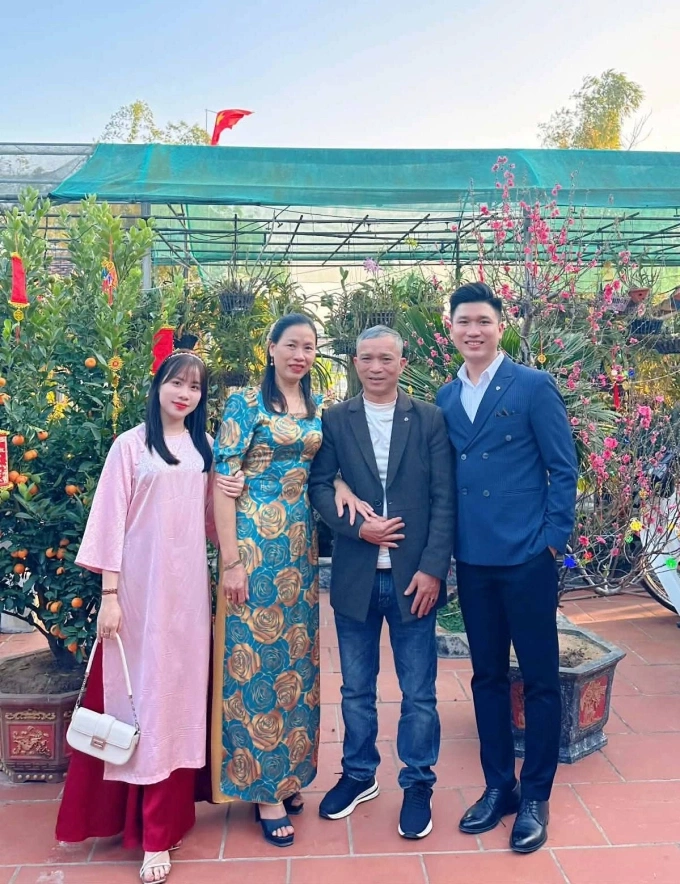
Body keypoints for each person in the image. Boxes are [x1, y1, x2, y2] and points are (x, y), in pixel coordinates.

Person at [55, 351, 216, 884]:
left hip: (188, 598)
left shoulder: (203, 449)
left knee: (179, 700)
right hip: (139, 596)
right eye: (176, 383)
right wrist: (110, 595)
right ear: (158, 386)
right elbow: (108, 521)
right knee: (143, 700)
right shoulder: (130, 445)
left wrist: (235, 494)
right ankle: (150, 835)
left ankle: (171, 818)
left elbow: (211, 521)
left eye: (194, 387)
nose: (184, 394)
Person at [210, 313, 367, 848]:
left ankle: (288, 773)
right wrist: (231, 560)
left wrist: (340, 485)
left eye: (309, 347)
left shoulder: (315, 405)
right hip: (253, 547)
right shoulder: (243, 403)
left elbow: (323, 468)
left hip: (300, 550)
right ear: (271, 348)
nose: (301, 355)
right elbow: (223, 484)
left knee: (294, 662)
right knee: (253, 660)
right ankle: (262, 791)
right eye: (292, 345)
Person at [436, 282, 578, 854]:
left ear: (501, 326)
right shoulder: (447, 397)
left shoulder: (533, 386)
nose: (473, 331)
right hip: (473, 558)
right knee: (487, 676)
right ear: (450, 328)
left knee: (540, 679)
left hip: (526, 557)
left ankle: (536, 794)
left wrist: (551, 544)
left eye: (483, 321)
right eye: (464, 322)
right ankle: (500, 786)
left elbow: (563, 468)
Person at [308, 325, 455, 840]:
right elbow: (319, 486)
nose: (376, 367)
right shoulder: (335, 419)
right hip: (356, 577)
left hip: (415, 579)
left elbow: (444, 498)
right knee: (355, 689)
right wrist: (358, 528)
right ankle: (359, 774)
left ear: (402, 362)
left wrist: (433, 568)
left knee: (419, 692)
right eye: (367, 358)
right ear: (354, 362)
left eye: (386, 358)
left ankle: (417, 783)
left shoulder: (429, 419)